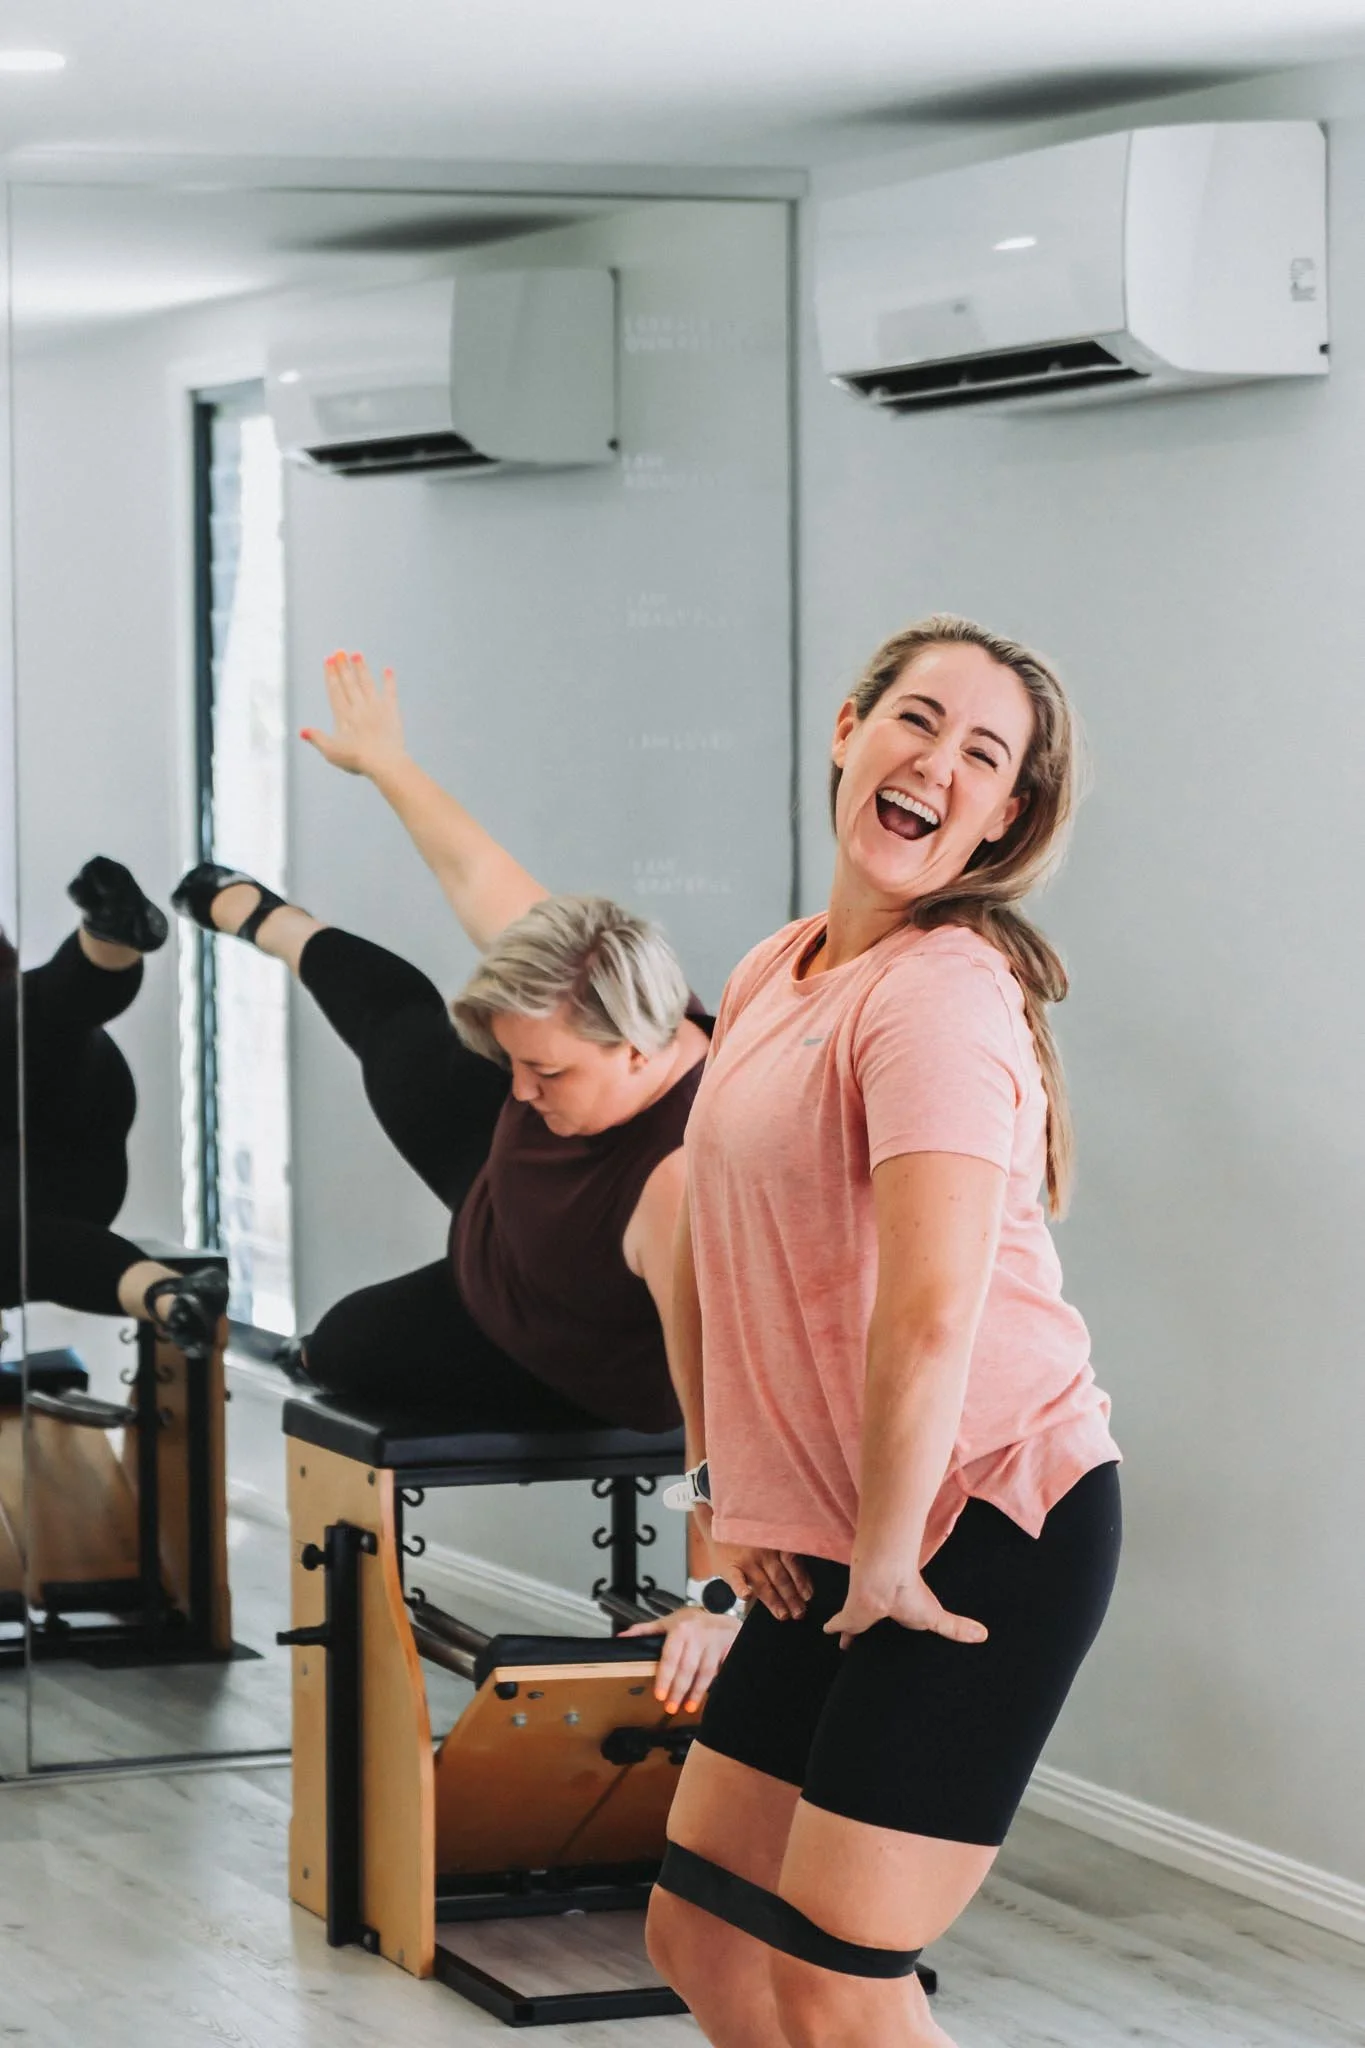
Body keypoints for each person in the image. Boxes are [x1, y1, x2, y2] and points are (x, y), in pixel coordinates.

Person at [646, 615, 1123, 2048]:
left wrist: (884, 1556)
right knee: (705, 1934)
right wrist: (730, 1492)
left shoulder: (941, 999)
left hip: (982, 1522)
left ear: (1004, 818)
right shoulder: (776, 968)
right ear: (849, 728)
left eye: (984, 756)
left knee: (840, 1981)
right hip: (847, 1536)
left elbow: (929, 1318)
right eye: (916, 721)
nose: (936, 764)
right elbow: (707, 1248)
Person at [171, 653, 740, 1709]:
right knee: (403, 1028)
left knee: (338, 1345)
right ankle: (265, 915)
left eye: (546, 1069)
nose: (520, 1089)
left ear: (642, 1043)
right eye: (516, 1062)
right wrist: (388, 764)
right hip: (508, 1203)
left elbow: (723, 1411)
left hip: (534, 1329)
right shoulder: (587, 992)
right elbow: (478, 876)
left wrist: (714, 1587)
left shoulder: (683, 1182)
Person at [0, 858, 228, 1355]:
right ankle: (171, 1297)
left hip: (59, 1089)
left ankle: (111, 932)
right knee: (19, 1243)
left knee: (24, 1014)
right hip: (54, 1194)